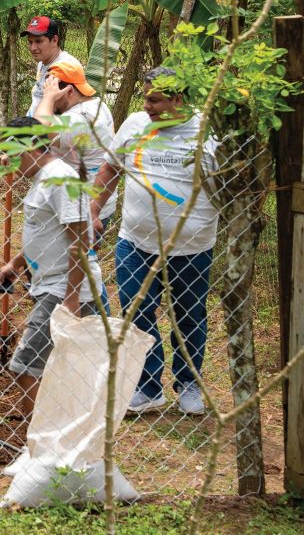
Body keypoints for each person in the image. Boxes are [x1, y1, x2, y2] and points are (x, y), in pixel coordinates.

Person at [92, 67, 218, 417]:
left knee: (189, 316)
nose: (146, 105)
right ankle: (147, 388)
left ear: (178, 99)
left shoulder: (208, 131)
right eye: (145, 97)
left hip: (191, 248)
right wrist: (93, 210)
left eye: (154, 99)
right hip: (134, 243)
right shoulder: (134, 125)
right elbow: (110, 169)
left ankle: (189, 384)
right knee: (136, 314)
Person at [0, 116, 103, 419]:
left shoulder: (60, 179)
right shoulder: (44, 178)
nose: (9, 160)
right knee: (62, 367)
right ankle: (57, 431)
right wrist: (17, 263)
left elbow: (81, 239)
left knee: (24, 365)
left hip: (65, 288)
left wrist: (70, 298)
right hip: (53, 285)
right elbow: (48, 232)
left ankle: (41, 438)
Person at [31, 59, 118, 233]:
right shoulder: (97, 105)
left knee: (70, 259)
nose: (51, 100)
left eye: (54, 93)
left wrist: (48, 97)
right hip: (92, 201)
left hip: (82, 210)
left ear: (69, 90)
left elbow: (35, 130)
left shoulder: (78, 119)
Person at [21, 16, 80, 117]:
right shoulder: (42, 62)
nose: (32, 48)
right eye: (30, 42)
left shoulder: (65, 67)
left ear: (54, 40)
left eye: (38, 41)